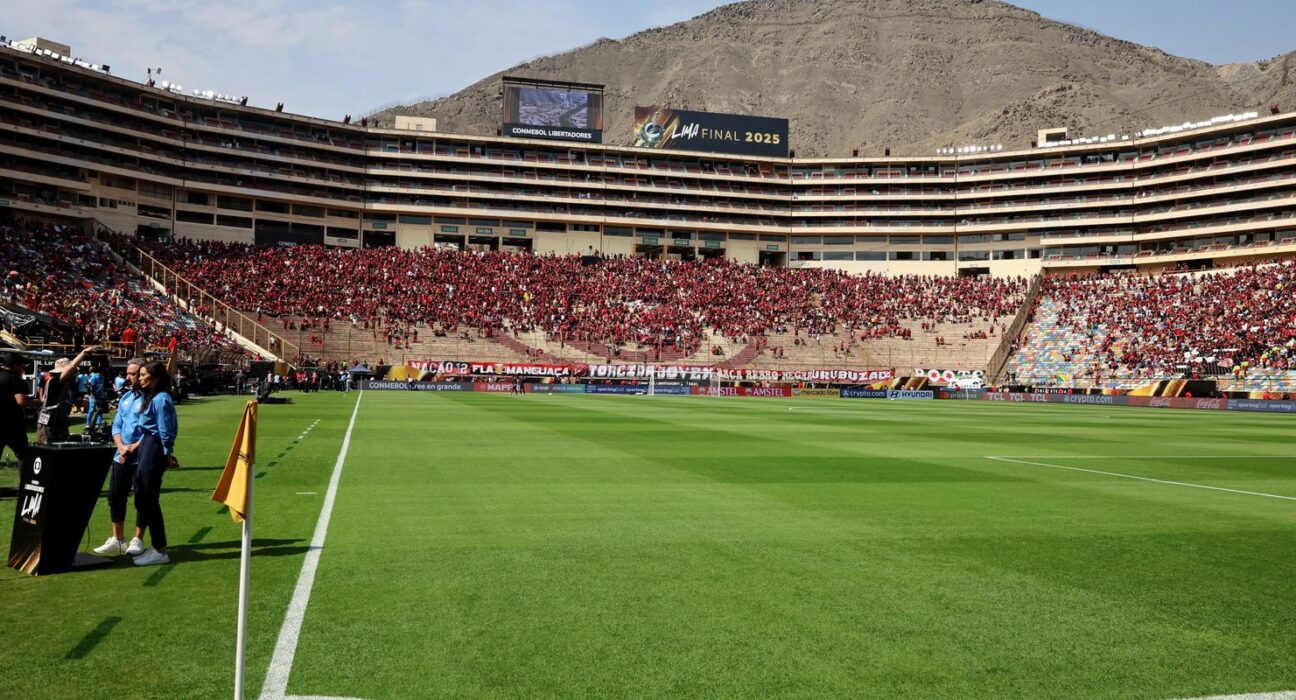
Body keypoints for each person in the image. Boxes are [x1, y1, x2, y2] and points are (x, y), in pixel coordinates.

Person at [93, 358, 148, 558]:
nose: (128, 376)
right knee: (115, 497)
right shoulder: (125, 398)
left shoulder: (150, 398)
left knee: (142, 499)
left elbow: (152, 430)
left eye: (133, 373)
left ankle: (138, 539)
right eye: (128, 373)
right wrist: (121, 446)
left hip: (141, 456)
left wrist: (133, 447)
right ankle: (118, 539)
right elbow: (117, 425)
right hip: (121, 455)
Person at [128, 361, 178, 566]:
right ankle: (156, 546)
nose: (139, 378)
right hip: (148, 444)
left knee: (149, 498)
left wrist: (166, 453)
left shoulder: (161, 399)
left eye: (143, 374)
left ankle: (160, 548)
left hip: (154, 446)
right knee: (142, 495)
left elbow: (165, 429)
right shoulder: (153, 397)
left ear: (154, 378)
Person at [36, 345, 100, 444]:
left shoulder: (65, 384)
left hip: (59, 421)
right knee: (47, 449)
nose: (74, 372)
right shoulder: (54, 381)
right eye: (71, 371)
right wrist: (84, 352)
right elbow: (72, 367)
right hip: (49, 422)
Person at [1, 351, 33, 465]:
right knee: (23, 454)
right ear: (15, 365)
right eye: (22, 366)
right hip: (12, 424)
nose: (23, 369)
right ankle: (24, 482)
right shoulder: (16, 379)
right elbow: (21, 401)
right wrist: (39, 403)